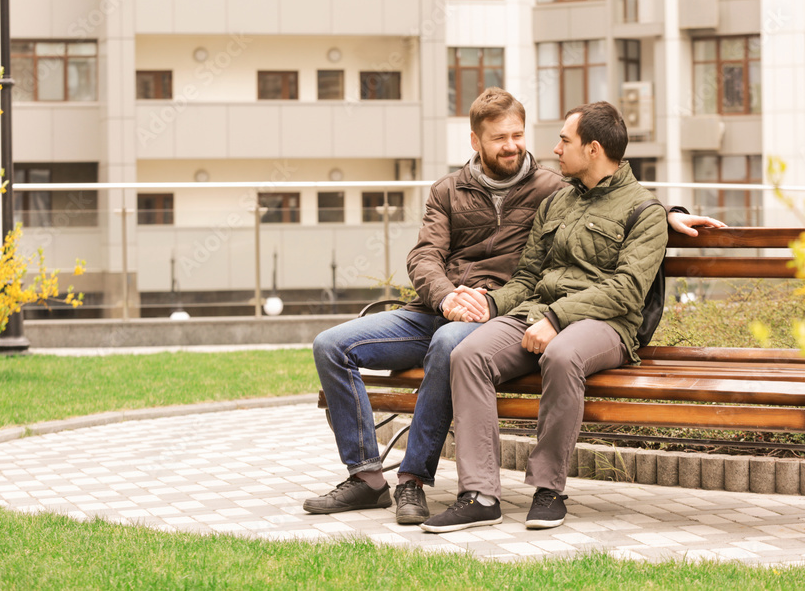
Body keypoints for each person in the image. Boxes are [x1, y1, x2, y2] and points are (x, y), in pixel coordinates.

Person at [306, 89, 722, 525]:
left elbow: (624, 206)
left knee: (469, 347)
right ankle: (393, 482)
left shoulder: (550, 185)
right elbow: (430, 258)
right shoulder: (465, 192)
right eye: (500, 137)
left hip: (560, 317)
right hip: (457, 306)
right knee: (338, 346)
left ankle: (428, 481)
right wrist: (457, 298)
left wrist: (670, 212)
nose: (518, 145)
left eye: (519, 135)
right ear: (475, 142)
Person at [421, 101, 669, 533]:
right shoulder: (557, 203)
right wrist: (490, 305)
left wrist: (557, 318)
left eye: (564, 141)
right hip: (537, 313)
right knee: (468, 354)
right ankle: (480, 495)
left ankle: (548, 489)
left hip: (607, 325)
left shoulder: (644, 211)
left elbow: (627, 290)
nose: (554, 150)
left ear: (593, 149)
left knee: (561, 355)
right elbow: (528, 276)